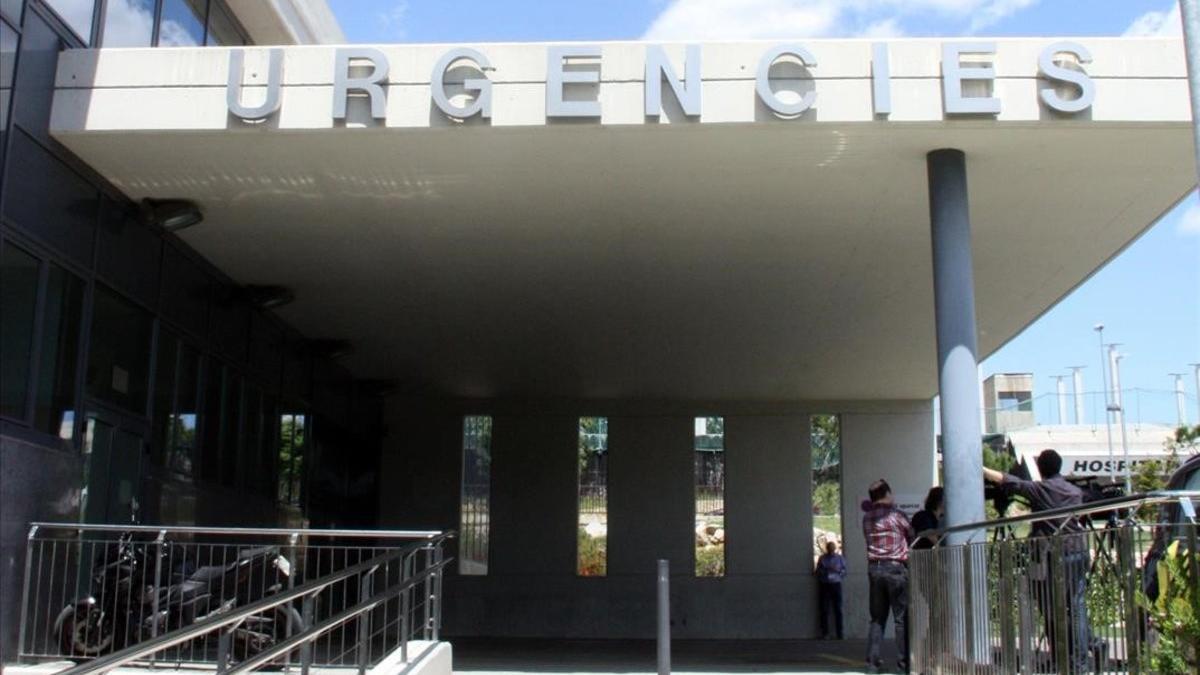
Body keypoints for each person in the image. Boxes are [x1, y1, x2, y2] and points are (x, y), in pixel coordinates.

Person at [984, 449, 1090, 672]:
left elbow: (1008, 480)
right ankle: (1080, 662)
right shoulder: (1074, 491)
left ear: (1040, 469)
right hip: (1079, 552)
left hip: (1053, 556)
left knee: (1051, 608)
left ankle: (1060, 659)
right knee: (1077, 607)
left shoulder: (1040, 489)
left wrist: (980, 468)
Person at [862, 479, 915, 674]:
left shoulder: (867, 518)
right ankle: (903, 664)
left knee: (877, 618)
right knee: (901, 619)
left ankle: (872, 663)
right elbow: (912, 535)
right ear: (887, 494)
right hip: (896, 568)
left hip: (874, 569)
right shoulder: (897, 515)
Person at [814, 540, 847, 639]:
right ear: (827, 549)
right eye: (829, 548)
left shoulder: (840, 558)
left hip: (836, 584)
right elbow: (818, 571)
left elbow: (844, 571)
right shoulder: (822, 558)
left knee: (838, 609)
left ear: (834, 549)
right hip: (825, 584)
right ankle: (825, 633)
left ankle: (840, 633)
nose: (830, 550)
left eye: (832, 548)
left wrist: (837, 571)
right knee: (824, 609)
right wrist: (825, 570)